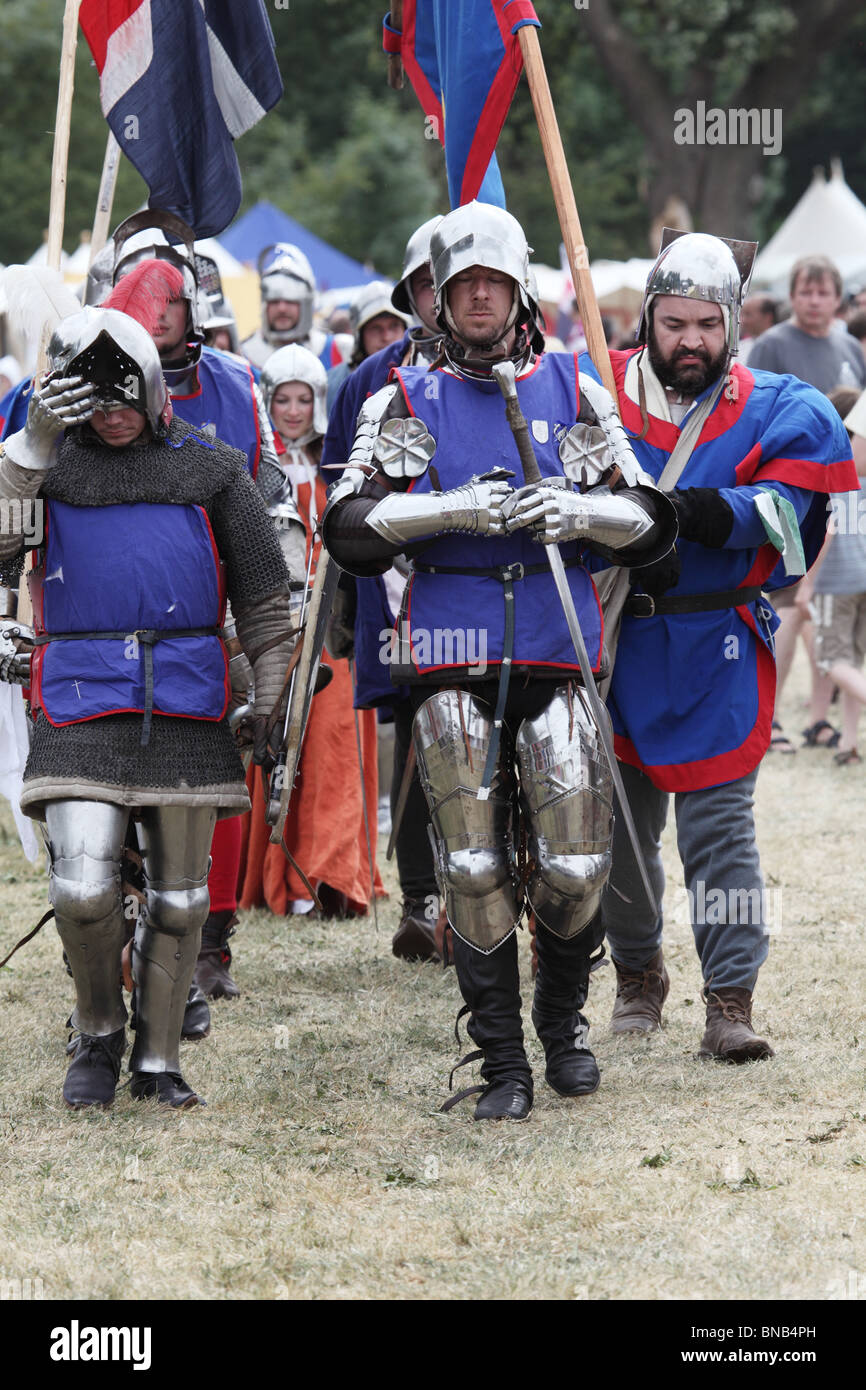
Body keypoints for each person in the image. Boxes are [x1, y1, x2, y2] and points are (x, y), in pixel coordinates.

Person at [322, 201, 676, 1121]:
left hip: (556, 653)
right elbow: (349, 528)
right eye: (463, 283)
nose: (479, 297)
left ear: (520, 293)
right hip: (451, 659)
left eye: (495, 282)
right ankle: (502, 1060)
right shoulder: (405, 400)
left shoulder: (576, 390)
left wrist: (576, 511)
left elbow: (650, 525)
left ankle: (563, 1026)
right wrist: (449, 512)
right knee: (472, 871)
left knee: (576, 864)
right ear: (438, 299)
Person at [0, 308, 295, 1108]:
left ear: (158, 388)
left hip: (188, 698)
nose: (112, 412)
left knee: (178, 897)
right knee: (83, 889)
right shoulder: (45, 470)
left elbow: (268, 603)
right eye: (93, 398)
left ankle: (158, 1058)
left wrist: (267, 701)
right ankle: (97, 1031)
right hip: (81, 695)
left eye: (125, 394)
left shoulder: (212, 467)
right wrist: (28, 448)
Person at [598, 231, 857, 1059]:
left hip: (719, 647)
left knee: (720, 835)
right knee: (618, 834)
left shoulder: (782, 407)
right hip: (615, 641)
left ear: (734, 323)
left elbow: (786, 518)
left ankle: (729, 999)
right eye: (674, 325)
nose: (690, 342)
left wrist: (693, 513)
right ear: (650, 321)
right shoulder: (594, 395)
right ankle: (638, 973)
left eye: (706, 325)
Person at [104, 216, 307, 1020]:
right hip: (102, 627)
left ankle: (205, 943)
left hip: (209, 621)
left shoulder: (234, 384)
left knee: (212, 784)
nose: (156, 314)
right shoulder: (74, 375)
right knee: (109, 792)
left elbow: (266, 490)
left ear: (195, 306)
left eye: (170, 298)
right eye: (138, 292)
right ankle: (120, 939)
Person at [322, 217, 447, 962]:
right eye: (431, 283)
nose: (445, 296)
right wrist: (343, 602)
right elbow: (342, 501)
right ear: (413, 293)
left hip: (481, 590)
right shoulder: (369, 382)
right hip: (396, 593)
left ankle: (478, 898)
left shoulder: (518, 372)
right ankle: (422, 898)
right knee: (410, 746)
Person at [237, 343, 383, 918]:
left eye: (303, 399)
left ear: (319, 402)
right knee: (276, 748)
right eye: (282, 399)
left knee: (333, 750)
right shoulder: (251, 471)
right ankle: (283, 876)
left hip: (332, 628)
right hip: (275, 629)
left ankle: (331, 877)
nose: (293, 410)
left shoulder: (337, 469)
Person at [748, 257, 865, 752]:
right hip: (792, 485)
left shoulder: (846, 346)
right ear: (792, 296)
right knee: (788, 608)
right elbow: (753, 412)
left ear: (837, 298)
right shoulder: (773, 344)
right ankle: (767, 718)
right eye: (806, 292)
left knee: (822, 614)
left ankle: (819, 719)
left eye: (823, 293)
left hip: (841, 493)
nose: (814, 301)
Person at [810, 386, 866, 764]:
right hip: (864, 579)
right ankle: (847, 743)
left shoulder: (835, 474)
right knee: (854, 662)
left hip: (836, 582)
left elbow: (826, 531)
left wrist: (807, 582)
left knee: (832, 661)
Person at [240, 243, 351, 371]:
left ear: (305, 304)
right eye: (275, 301)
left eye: (290, 301)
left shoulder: (340, 350)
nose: (282, 308)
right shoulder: (243, 356)